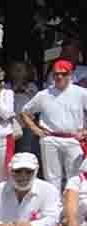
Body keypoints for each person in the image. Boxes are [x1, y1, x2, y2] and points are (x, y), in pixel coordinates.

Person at [20, 58, 85, 194]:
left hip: (73, 139)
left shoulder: (81, 93)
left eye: (63, 74)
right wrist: (35, 129)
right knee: (52, 177)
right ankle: (54, 208)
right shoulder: (43, 94)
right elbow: (25, 112)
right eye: (56, 74)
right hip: (50, 139)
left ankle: (72, 209)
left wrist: (85, 131)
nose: (59, 77)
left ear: (70, 75)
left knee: (74, 177)